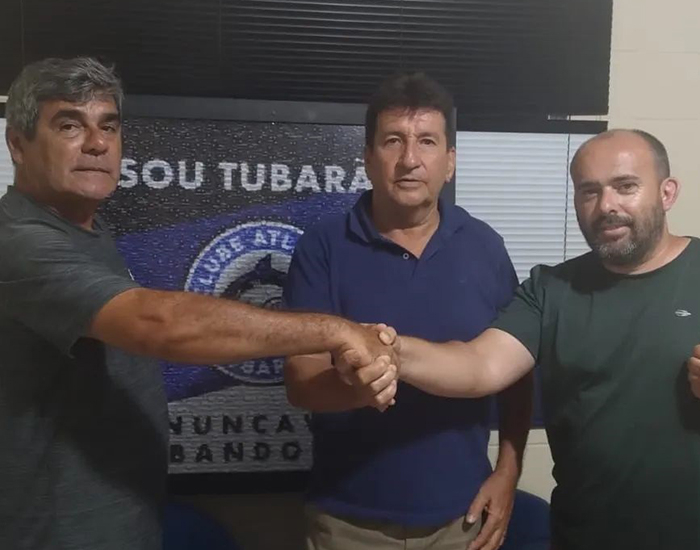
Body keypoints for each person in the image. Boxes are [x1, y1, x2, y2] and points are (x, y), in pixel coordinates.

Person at [0, 57, 394, 550]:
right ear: (18, 144)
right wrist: (337, 331)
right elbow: (158, 323)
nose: (97, 144)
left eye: (109, 126)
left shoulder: (88, 231)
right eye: (69, 126)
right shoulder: (17, 243)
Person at [374, 129, 700, 549]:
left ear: (667, 192)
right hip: (581, 538)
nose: (606, 206)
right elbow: (479, 366)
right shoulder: (551, 289)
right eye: (589, 191)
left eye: (625, 187)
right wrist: (387, 349)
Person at [283, 72, 533, 550]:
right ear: (368, 159)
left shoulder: (485, 247)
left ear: (450, 162)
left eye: (427, 142)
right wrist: (360, 388)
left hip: (463, 519)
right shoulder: (323, 246)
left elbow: (517, 375)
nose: (410, 159)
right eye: (393, 140)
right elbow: (301, 382)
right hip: (348, 521)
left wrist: (508, 471)